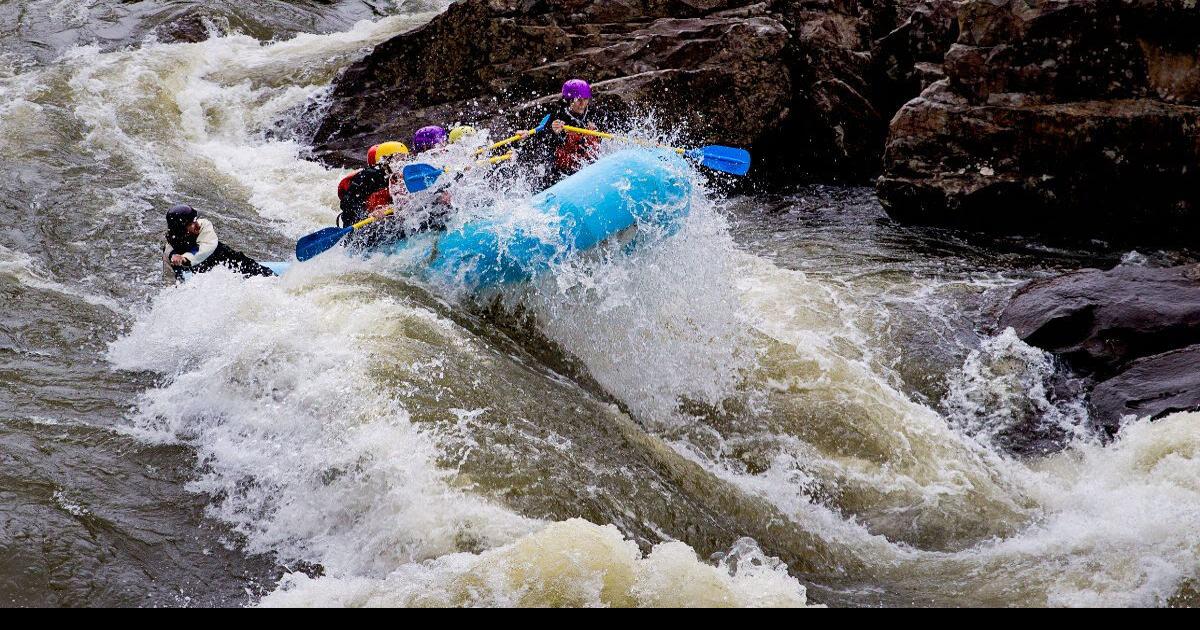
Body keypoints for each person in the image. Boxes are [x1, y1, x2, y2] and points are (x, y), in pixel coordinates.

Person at [522, 79, 602, 188]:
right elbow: (538, 138)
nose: (583, 104)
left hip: (589, 163)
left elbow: (611, 132)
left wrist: (598, 130)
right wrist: (553, 133)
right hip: (562, 171)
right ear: (569, 100)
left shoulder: (595, 113)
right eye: (579, 100)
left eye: (585, 99)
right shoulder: (555, 116)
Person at [163, 204, 274, 280]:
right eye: (192, 223)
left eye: (195, 220)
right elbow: (169, 275)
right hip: (203, 272)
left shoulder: (204, 226)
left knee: (261, 272)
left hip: (224, 258)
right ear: (181, 229)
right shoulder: (171, 242)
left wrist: (184, 259)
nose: (197, 224)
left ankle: (274, 279)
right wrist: (173, 255)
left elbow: (203, 250)